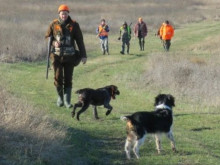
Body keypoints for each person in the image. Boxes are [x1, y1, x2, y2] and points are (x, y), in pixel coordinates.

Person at [45, 4, 87, 108]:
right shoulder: (53, 24)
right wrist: (54, 42)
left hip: (70, 57)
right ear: (59, 14)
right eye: (62, 13)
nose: (64, 15)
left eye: (66, 13)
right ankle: (60, 98)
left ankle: (67, 101)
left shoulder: (74, 25)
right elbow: (47, 37)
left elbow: (80, 41)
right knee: (58, 77)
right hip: (56, 56)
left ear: (68, 14)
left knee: (68, 78)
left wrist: (83, 55)